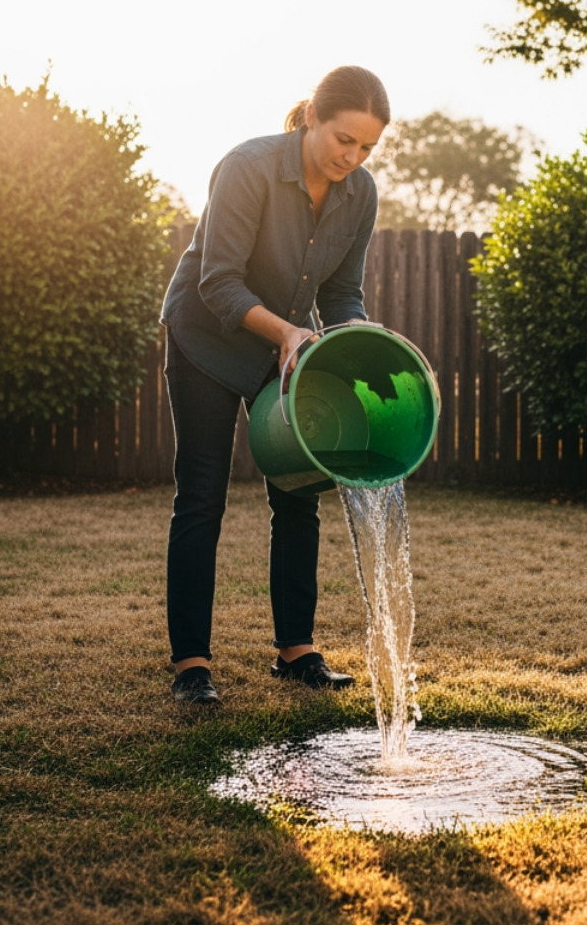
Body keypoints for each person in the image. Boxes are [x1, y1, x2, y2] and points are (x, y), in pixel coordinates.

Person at [159, 66, 389, 703]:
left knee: (298, 491)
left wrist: (360, 338)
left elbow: (342, 295)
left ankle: (297, 650)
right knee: (202, 496)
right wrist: (288, 333)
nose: (353, 156)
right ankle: (192, 667)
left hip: (283, 347)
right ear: (312, 116)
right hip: (206, 338)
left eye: (367, 147)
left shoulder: (359, 193)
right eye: (344, 139)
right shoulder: (248, 167)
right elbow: (217, 281)